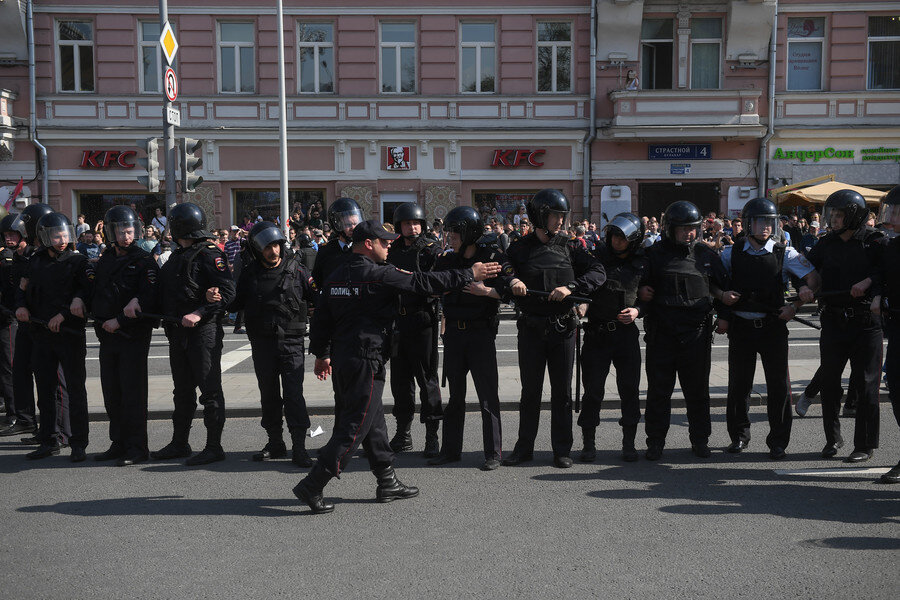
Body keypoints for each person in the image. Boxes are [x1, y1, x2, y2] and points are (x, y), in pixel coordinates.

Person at [292, 219, 500, 514]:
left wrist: (322, 353)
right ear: (368, 244)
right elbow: (423, 284)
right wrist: (469, 273)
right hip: (366, 359)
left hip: (346, 358)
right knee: (354, 428)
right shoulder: (379, 274)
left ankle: (387, 480)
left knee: (374, 424)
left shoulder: (337, 273)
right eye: (384, 242)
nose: (389, 246)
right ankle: (313, 484)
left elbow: (322, 317)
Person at [502, 189, 606, 468]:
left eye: (562, 216)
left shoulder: (571, 247)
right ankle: (524, 448)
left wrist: (571, 287)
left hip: (562, 329)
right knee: (530, 392)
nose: (560, 222)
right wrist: (512, 281)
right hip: (531, 329)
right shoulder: (520, 247)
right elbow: (502, 265)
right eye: (555, 216)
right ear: (539, 216)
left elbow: (598, 271)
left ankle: (562, 450)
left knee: (562, 393)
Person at [716, 198, 819, 460]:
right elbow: (715, 283)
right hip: (741, 327)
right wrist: (723, 304)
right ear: (749, 224)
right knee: (739, 385)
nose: (765, 227)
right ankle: (739, 436)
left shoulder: (786, 252)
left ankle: (778, 441)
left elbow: (813, 278)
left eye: (770, 222)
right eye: (760, 221)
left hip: (773, 326)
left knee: (778, 387)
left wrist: (797, 302)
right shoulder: (731, 253)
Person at [639, 200, 728, 461]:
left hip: (696, 335)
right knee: (658, 393)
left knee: (697, 392)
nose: (689, 233)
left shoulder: (706, 255)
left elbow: (724, 287)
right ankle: (655, 442)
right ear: (670, 229)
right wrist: (641, 293)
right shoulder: (654, 255)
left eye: (693, 228)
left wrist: (724, 318)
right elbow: (638, 285)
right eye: (683, 229)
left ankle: (700, 440)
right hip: (662, 334)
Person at [151, 202, 235, 466]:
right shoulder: (177, 256)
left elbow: (228, 292)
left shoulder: (210, 254)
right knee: (182, 392)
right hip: (177, 332)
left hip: (203, 333)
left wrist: (200, 311)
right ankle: (180, 443)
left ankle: (214, 447)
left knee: (209, 391)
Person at [223, 222, 314, 467]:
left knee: (294, 395)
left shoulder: (298, 270)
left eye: (276, 245)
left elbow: (318, 299)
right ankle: (275, 442)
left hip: (291, 342)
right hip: (262, 343)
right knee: (269, 395)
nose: (273, 251)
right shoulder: (250, 273)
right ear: (257, 250)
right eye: (267, 247)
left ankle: (299, 447)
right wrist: (220, 289)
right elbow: (233, 303)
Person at [806, 189, 885, 462]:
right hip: (833, 320)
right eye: (831, 215)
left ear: (853, 216)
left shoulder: (875, 242)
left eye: (838, 215)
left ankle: (864, 445)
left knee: (866, 385)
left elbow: (886, 273)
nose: (833, 220)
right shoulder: (827, 243)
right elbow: (807, 270)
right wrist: (805, 286)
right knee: (829, 382)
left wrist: (868, 283)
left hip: (866, 323)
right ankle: (832, 439)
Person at [430, 207, 511, 470]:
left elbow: (510, 292)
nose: (450, 236)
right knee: (455, 397)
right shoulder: (445, 260)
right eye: (449, 231)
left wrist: (485, 291)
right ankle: (450, 450)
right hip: (453, 333)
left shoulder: (491, 258)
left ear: (469, 233)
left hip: (480, 332)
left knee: (487, 396)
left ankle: (493, 453)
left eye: (455, 231)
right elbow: (435, 285)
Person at [16, 212, 93, 462]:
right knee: (46, 390)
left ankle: (78, 442)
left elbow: (85, 293)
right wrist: (21, 307)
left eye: (64, 234)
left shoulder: (78, 261)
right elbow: (23, 289)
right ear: (44, 237)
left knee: (75, 389)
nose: (61, 239)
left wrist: (64, 314)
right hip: (41, 334)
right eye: (56, 235)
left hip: (69, 334)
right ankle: (49, 439)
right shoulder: (35, 261)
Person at [90, 205, 159, 466]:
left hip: (131, 336)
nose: (125, 237)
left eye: (130, 231)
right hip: (107, 335)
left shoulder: (144, 261)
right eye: (120, 232)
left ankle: (137, 448)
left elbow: (149, 299)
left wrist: (119, 321)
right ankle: (117, 443)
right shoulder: (106, 258)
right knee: (111, 393)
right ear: (110, 232)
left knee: (133, 394)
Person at [577, 213, 647, 463]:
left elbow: (653, 297)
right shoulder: (595, 258)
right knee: (593, 391)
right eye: (614, 235)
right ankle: (588, 443)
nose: (617, 241)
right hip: (597, 334)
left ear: (634, 240)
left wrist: (638, 310)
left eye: (622, 237)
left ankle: (629, 443)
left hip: (626, 335)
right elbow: (581, 287)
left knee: (629, 391)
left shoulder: (642, 262)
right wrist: (581, 305)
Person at [0, 203, 69, 443]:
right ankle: (39, 426)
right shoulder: (32, 257)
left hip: (49, 325)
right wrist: (19, 305)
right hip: (29, 323)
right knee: (24, 372)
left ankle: (61, 431)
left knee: (55, 382)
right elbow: (21, 288)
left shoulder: (61, 258)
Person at [386, 202, 445, 457]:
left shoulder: (431, 249)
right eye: (408, 223)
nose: (413, 227)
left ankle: (432, 436)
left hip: (423, 321)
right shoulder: (392, 249)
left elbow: (436, 283)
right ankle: (403, 433)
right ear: (399, 225)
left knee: (427, 380)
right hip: (397, 323)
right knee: (400, 382)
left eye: (417, 223)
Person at [871, 185, 900, 482]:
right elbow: (881, 274)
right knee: (897, 389)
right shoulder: (891, 246)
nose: (890, 215)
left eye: (895, 210)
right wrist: (878, 293)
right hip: (897, 328)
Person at [0, 214, 20, 429]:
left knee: (9, 366)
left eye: (13, 234)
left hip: (8, 318)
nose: (9, 238)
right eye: (6, 234)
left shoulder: (15, 258)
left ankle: (15, 413)